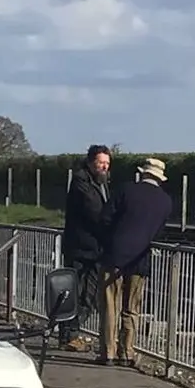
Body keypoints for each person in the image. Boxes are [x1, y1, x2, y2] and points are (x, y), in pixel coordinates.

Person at [99, 157, 173, 366]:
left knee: (110, 304)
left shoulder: (126, 190)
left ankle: (108, 352)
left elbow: (105, 218)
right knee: (131, 308)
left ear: (143, 173)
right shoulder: (165, 201)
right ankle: (127, 352)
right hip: (141, 258)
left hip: (114, 254)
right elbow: (158, 233)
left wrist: (108, 241)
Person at [58, 144, 113, 350]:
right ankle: (69, 334)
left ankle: (71, 333)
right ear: (90, 162)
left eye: (107, 163)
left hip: (93, 249)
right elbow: (95, 212)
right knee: (78, 292)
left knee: (88, 293)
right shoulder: (81, 182)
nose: (104, 167)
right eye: (100, 162)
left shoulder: (101, 183)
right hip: (81, 248)